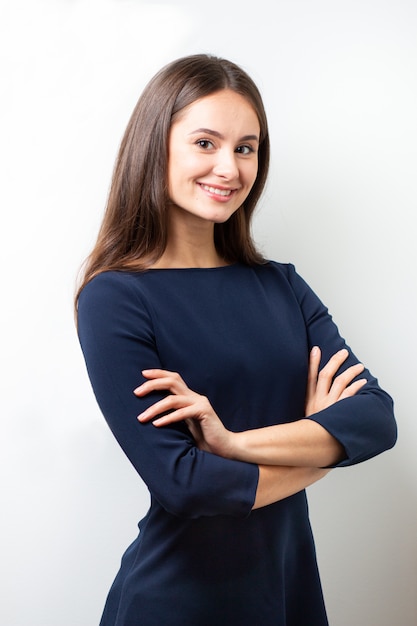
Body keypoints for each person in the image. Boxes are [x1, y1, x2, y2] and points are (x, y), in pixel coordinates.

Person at [75, 54, 397, 626]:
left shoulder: (283, 287)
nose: (229, 167)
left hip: (288, 594)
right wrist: (322, 445)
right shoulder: (115, 298)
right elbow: (188, 487)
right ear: (157, 146)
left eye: (245, 148)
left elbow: (376, 420)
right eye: (206, 142)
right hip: (176, 604)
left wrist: (232, 443)